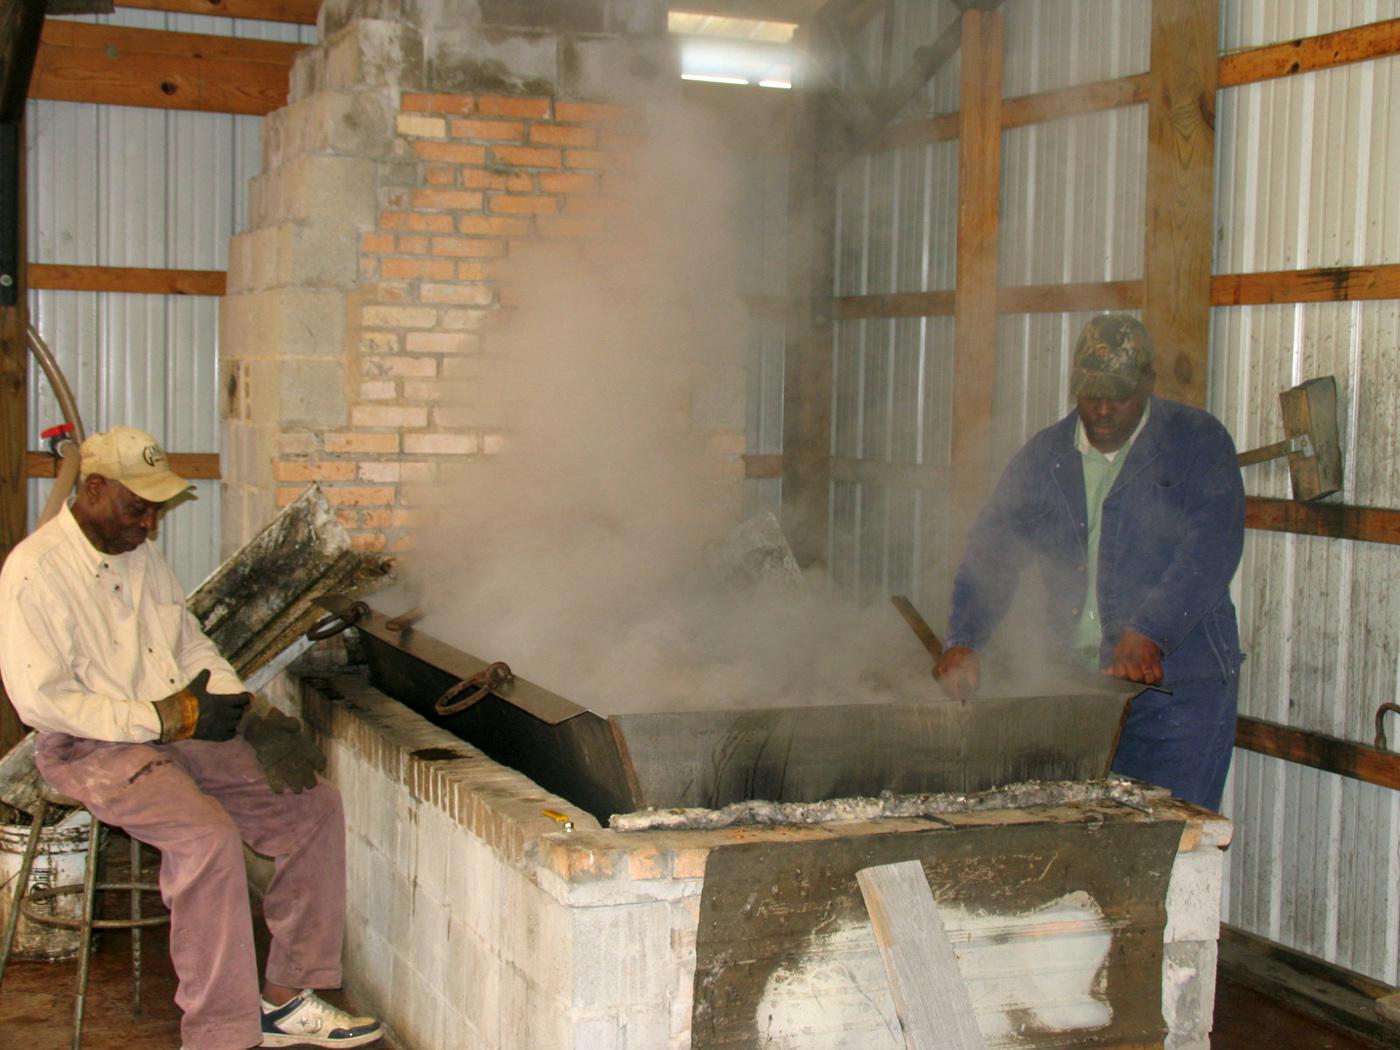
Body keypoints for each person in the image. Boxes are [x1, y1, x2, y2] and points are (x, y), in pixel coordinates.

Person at [0, 426, 382, 1050]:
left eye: (154, 510)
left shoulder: (138, 554)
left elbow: (188, 643)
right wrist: (164, 719)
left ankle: (287, 1000)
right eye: (137, 507)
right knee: (206, 838)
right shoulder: (35, 572)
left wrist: (241, 706)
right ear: (93, 489)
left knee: (313, 807)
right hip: (89, 746)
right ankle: (220, 1034)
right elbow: (42, 700)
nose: (149, 524)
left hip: (171, 727)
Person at [934, 315, 1245, 811]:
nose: (1101, 409)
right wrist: (966, 639)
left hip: (1176, 699)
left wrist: (1149, 631)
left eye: (1118, 394)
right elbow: (992, 550)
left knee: (1173, 842)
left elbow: (1210, 553)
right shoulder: (1045, 456)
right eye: (1089, 392)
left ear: (1148, 382)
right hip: (1078, 692)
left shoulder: (1197, 445)